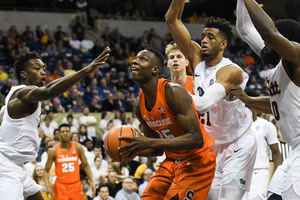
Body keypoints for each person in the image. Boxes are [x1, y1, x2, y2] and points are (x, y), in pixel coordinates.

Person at [165, 1, 257, 199]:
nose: (204, 40)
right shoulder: (196, 57)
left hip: (238, 143)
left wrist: (167, 91)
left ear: (223, 44)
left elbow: (203, 104)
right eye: (203, 36)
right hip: (212, 145)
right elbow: (171, 19)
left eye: (211, 37)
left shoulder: (230, 71)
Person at [0, 47, 109, 200]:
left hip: (18, 167)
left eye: (44, 68)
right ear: (23, 74)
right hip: (6, 169)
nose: (43, 72)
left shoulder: (11, 101)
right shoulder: (22, 93)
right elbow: (48, 91)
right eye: (37, 68)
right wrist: (86, 70)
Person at [119, 47, 215, 199]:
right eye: (135, 59)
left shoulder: (173, 92)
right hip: (172, 161)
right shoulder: (139, 105)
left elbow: (197, 139)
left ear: (155, 69)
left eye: (142, 59)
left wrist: (148, 142)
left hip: (198, 159)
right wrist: (131, 150)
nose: (135, 62)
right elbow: (156, 149)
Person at [228, 0, 300, 199]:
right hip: (295, 150)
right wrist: (249, 100)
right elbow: (244, 29)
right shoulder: (279, 66)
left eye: (268, 43)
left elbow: (269, 33)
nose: (264, 45)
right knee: (274, 197)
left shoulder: (296, 57)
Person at [241, 90, 282, 200]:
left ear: (254, 106)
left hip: (259, 172)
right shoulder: (235, 126)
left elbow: (276, 152)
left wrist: (277, 175)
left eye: (247, 105)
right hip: (239, 171)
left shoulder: (266, 125)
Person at [45, 123, 95, 200]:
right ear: (59, 134)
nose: (65, 133)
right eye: (62, 132)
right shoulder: (53, 151)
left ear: (70, 134)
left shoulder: (78, 147)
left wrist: (91, 180)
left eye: (67, 131)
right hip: (60, 186)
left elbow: (86, 165)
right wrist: (48, 185)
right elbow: (46, 170)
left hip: (76, 185)